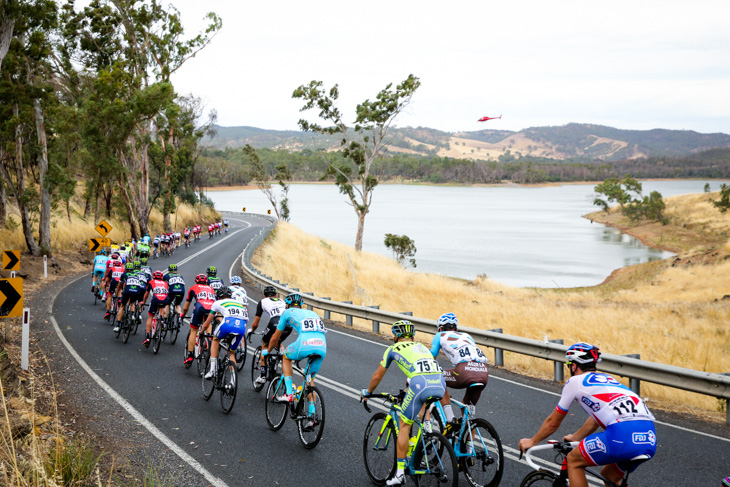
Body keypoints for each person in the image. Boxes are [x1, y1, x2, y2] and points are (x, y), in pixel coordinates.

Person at [518, 343, 656, 487]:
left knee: (573, 461)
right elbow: (596, 418)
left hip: (621, 435)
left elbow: (553, 422)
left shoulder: (575, 381)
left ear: (574, 366)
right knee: (610, 477)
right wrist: (576, 437)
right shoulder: (608, 380)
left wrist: (532, 441)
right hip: (649, 437)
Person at [361, 320, 446, 486]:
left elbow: (377, 376)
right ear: (413, 336)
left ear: (395, 336)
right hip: (440, 383)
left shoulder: (392, 349)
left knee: (404, 425)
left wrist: (368, 392)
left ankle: (399, 474)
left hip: (420, 384)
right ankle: (428, 432)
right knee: (421, 399)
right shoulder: (422, 347)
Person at [263, 293, 326, 430]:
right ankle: (312, 415)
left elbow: (275, 337)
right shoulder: (311, 313)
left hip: (305, 343)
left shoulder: (286, 312)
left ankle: (289, 393)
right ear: (301, 305)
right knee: (308, 379)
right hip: (322, 346)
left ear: (287, 305)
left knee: (286, 357)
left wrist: (268, 351)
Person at [429, 312, 490, 429]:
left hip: (464, 371)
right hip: (483, 372)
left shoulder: (440, 335)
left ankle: (450, 418)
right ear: (456, 328)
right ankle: (468, 446)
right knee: (469, 415)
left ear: (440, 328)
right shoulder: (468, 336)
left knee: (437, 377)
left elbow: (431, 358)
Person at [202, 287, 248, 383]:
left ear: (219, 297)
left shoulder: (217, 303)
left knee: (215, 340)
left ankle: (212, 370)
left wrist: (202, 332)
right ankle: (233, 382)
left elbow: (207, 322)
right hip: (241, 327)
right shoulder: (239, 304)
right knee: (231, 353)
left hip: (228, 324)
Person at [251, 285, 287, 386]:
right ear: (276, 295)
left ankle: (262, 376)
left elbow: (255, 324)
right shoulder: (282, 301)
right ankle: (282, 357)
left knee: (265, 345)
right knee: (279, 342)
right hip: (288, 324)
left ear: (264, 296)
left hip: (275, 322)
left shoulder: (262, 302)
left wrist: (251, 330)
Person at [181, 274, 216, 366]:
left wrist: (183, 315)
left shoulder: (193, 287)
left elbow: (186, 307)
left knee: (193, 330)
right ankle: (208, 340)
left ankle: (190, 355)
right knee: (208, 324)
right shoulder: (211, 288)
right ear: (206, 281)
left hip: (200, 307)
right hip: (212, 308)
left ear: (196, 281)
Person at [114, 262, 143, 331]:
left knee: (122, 306)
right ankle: (132, 315)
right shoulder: (137, 275)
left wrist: (117, 293)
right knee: (132, 302)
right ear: (133, 269)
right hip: (137, 291)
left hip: (127, 290)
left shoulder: (124, 274)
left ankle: (118, 325)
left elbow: (121, 285)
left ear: (125, 269)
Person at [142, 270, 169, 347]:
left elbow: (146, 295)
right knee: (161, 306)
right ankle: (162, 319)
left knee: (150, 316)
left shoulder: (151, 282)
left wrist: (143, 302)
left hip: (156, 299)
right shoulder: (165, 283)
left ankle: (147, 336)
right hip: (165, 299)